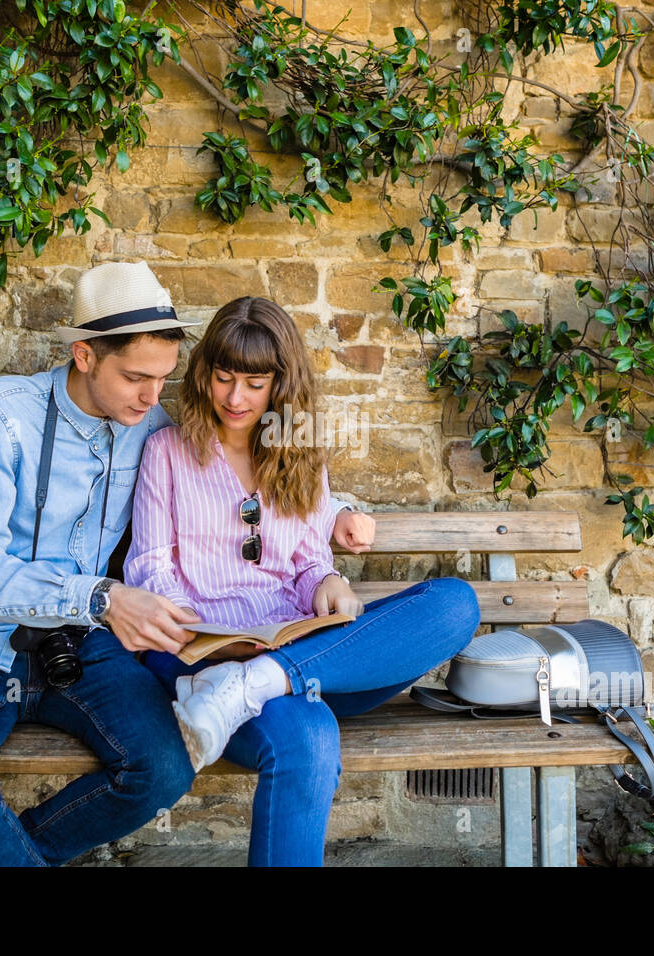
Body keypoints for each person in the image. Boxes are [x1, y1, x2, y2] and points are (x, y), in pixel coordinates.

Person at [0, 262, 374, 866]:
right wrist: (99, 597)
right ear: (85, 354)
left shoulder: (152, 428)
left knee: (164, 769)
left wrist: (339, 513)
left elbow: (258, 479)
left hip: (86, 647)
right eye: (137, 378)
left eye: (164, 378)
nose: (153, 397)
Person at [125, 296, 481, 867]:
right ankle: (250, 682)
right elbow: (151, 572)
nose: (235, 398)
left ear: (280, 386)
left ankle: (261, 681)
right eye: (223, 378)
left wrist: (329, 585)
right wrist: (211, 642)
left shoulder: (300, 458)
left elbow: (309, 562)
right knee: (311, 738)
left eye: (254, 383)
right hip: (198, 659)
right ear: (204, 375)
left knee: (456, 603)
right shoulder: (166, 452)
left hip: (291, 652)